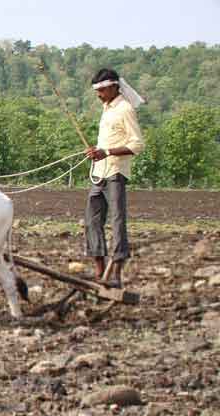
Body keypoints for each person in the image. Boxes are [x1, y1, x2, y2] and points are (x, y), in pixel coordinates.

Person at [84, 68, 145, 287]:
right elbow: (107, 142)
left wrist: (107, 152)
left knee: (118, 221)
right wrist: (97, 151)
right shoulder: (107, 109)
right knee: (92, 221)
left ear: (113, 87)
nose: (98, 94)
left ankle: (116, 274)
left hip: (116, 173)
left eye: (101, 90)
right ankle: (100, 272)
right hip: (99, 172)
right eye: (97, 90)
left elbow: (137, 144)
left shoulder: (125, 109)